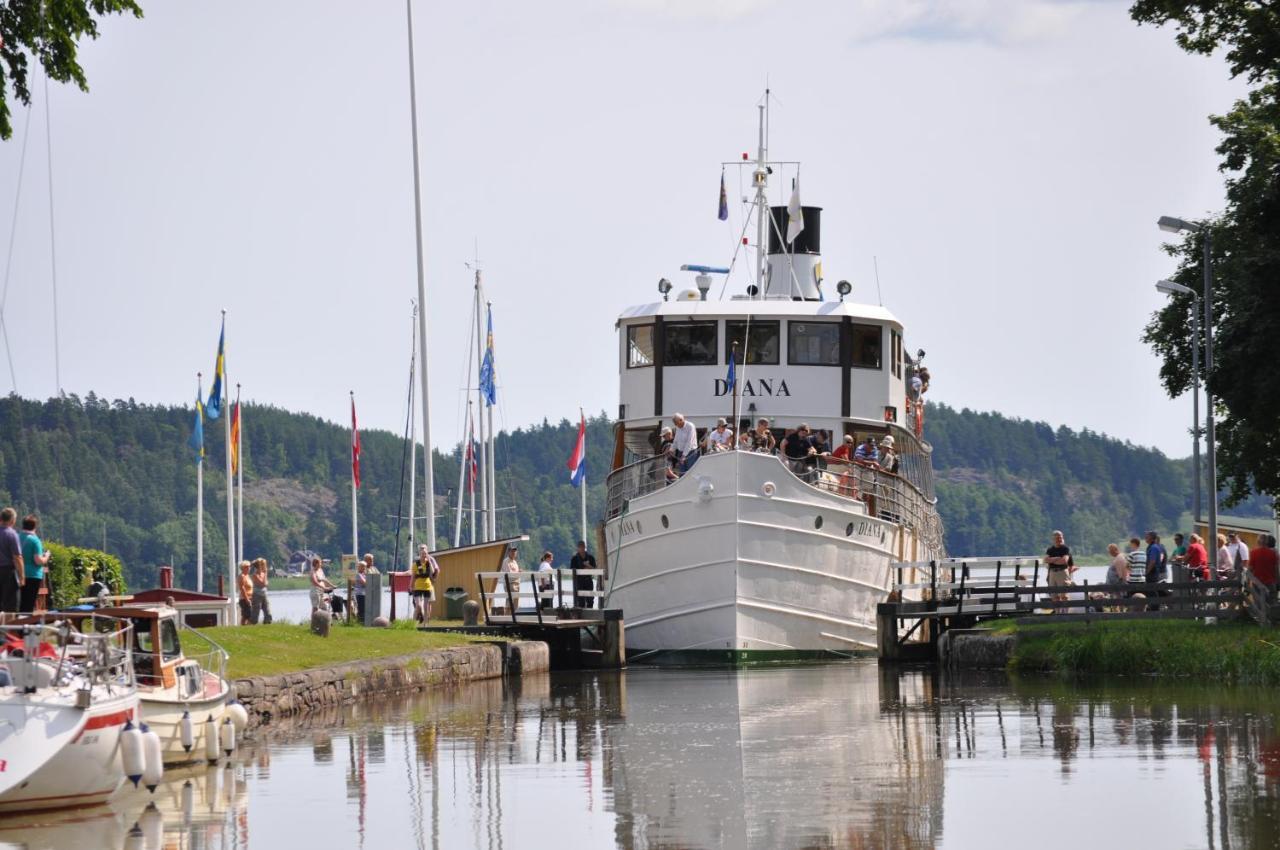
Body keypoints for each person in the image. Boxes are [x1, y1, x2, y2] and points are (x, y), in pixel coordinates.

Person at [17, 515, 50, 614]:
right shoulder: (35, 541)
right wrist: (47, 556)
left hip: (18, 573)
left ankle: (16, 625)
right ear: (35, 526)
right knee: (28, 604)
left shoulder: (17, 537)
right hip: (33, 575)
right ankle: (24, 626)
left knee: (20, 603)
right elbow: (38, 561)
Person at [0, 508, 24, 615]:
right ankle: (9, 630)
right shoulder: (12, 534)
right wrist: (22, 576)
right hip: (8, 571)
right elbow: (17, 557)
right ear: (12, 520)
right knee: (11, 605)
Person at [1045, 530, 1073, 608]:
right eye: (1057, 538)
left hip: (1062, 572)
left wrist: (1052, 560)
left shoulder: (1065, 549)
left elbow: (1064, 561)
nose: (1059, 539)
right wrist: (1057, 558)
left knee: (1064, 595)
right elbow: (1046, 560)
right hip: (1052, 573)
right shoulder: (1050, 549)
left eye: (1060, 537)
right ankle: (1057, 613)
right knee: (1054, 596)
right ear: (1053, 539)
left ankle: (1067, 613)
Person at [411, 544, 439, 623]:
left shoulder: (431, 559)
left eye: (424, 549)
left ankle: (426, 622)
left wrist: (433, 579)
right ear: (419, 552)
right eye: (421, 549)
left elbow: (436, 570)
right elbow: (412, 573)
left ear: (427, 551)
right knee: (418, 605)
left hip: (429, 585)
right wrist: (411, 586)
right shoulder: (416, 562)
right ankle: (419, 619)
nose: (423, 552)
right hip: (418, 585)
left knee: (427, 604)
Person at [570, 540, 598, 609]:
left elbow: (595, 569)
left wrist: (588, 565)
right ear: (578, 548)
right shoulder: (574, 558)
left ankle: (590, 611)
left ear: (585, 547)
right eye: (580, 547)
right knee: (580, 600)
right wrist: (583, 570)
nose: (582, 548)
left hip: (588, 580)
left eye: (583, 547)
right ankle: (581, 613)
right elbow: (572, 570)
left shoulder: (591, 557)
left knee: (590, 599)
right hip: (579, 581)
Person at [250, 558, 273, 624]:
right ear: (259, 566)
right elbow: (263, 583)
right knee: (256, 611)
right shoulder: (255, 575)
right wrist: (265, 574)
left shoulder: (263, 574)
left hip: (264, 594)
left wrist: (265, 574)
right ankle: (253, 623)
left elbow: (265, 584)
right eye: (263, 565)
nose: (265, 567)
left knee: (267, 609)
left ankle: (267, 622)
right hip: (257, 595)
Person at [355, 559, 368, 624]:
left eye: (365, 567)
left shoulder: (364, 574)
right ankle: (360, 622)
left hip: (364, 593)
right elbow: (365, 583)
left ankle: (363, 621)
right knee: (361, 608)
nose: (364, 568)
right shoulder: (358, 575)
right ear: (359, 567)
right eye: (362, 566)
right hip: (360, 594)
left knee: (364, 608)